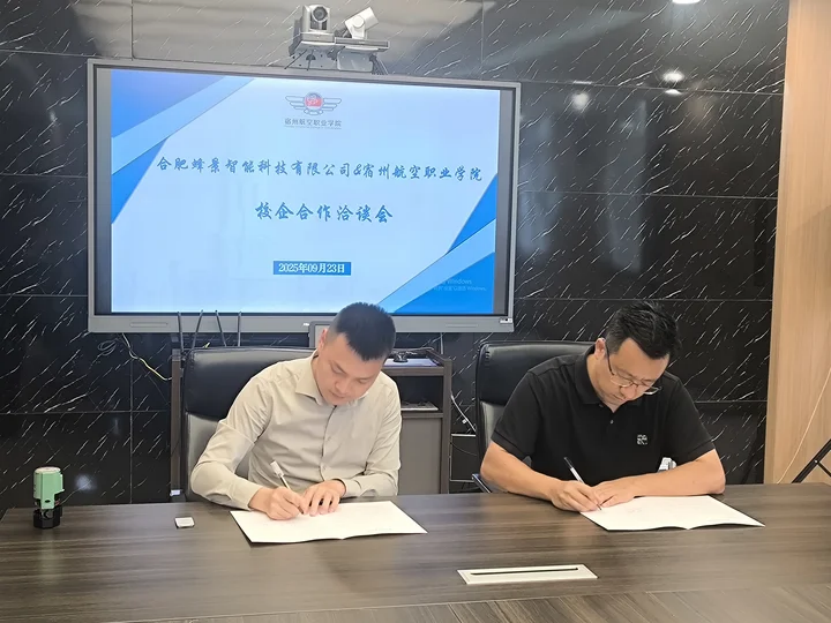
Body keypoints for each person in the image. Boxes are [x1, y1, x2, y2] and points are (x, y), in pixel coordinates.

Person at [480, 302, 725, 512]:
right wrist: (554, 489)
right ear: (601, 350)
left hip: (633, 528)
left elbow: (712, 474)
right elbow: (494, 466)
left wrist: (632, 486)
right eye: (624, 377)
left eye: (646, 383)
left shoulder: (667, 391)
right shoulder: (545, 383)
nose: (630, 393)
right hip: (556, 524)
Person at [191, 302, 400, 520]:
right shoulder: (269, 387)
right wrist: (260, 497)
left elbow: (387, 481)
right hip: (276, 522)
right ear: (322, 341)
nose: (344, 388)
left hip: (349, 523)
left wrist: (341, 486)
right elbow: (205, 472)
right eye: (337, 370)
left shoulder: (385, 394)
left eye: (362, 381)